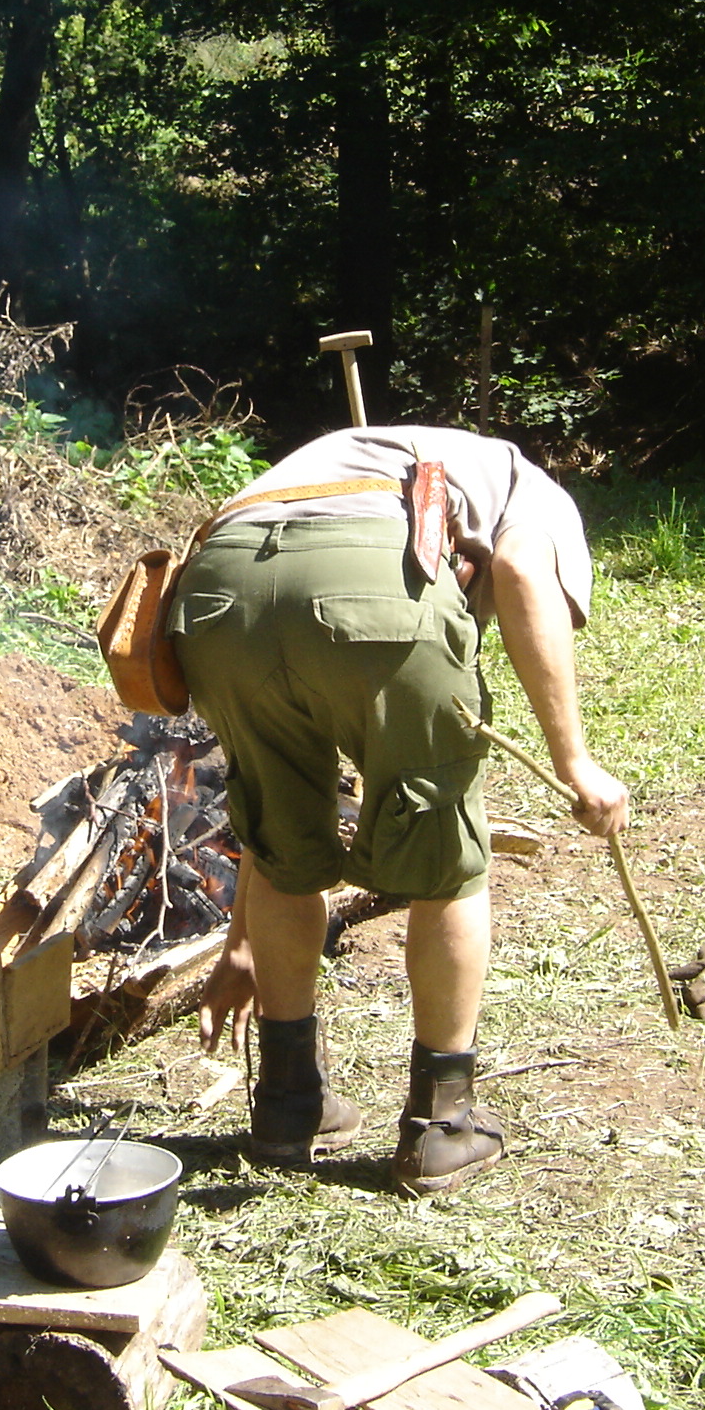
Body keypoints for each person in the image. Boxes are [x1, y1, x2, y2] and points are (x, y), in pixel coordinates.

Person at [170, 424, 629, 1196]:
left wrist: (244, 947)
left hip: (216, 595)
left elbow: (274, 846)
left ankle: (287, 1106)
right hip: (371, 587)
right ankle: (442, 1128)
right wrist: (573, 761)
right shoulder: (534, 493)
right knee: (447, 861)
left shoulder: (356, 452)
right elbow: (518, 570)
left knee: (284, 839)